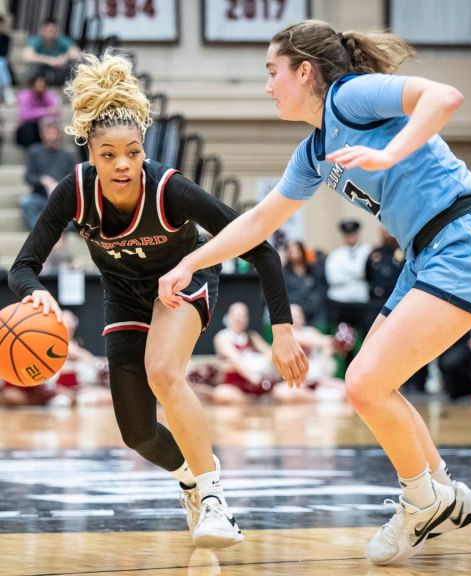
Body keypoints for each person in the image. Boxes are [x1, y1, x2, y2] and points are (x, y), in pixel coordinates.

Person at [156, 21, 471, 565]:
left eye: (272, 72)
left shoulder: (350, 96)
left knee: (364, 382)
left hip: (465, 236)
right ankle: (444, 491)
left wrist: (389, 153)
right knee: (379, 381)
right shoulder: (314, 150)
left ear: (305, 71)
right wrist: (191, 261)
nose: (267, 85)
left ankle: (421, 500)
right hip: (426, 252)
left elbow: (444, 97)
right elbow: (258, 222)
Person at [7, 53, 303, 549]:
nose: (122, 164)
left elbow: (262, 250)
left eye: (132, 151)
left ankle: (215, 501)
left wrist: (283, 329)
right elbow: (22, 267)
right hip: (123, 296)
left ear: (143, 150)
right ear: (90, 155)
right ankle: (191, 475)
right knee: (138, 435)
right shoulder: (73, 193)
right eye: (108, 154)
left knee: (163, 372)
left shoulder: (170, 189)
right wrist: (38, 297)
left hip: (181, 282)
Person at [212, 301, 283, 403]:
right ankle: (251, 402)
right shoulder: (222, 337)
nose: (239, 319)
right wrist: (252, 377)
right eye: (236, 315)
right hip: (236, 385)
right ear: (228, 317)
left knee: (282, 392)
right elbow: (235, 360)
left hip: (257, 382)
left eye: (242, 315)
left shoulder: (252, 337)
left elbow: (270, 353)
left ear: (246, 319)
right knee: (222, 393)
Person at [20, 116, 75, 229]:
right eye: (47, 132)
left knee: (78, 216)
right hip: (40, 197)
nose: (50, 135)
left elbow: (73, 181)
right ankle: (43, 231)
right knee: (26, 203)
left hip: (60, 199)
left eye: (53, 132)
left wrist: (58, 185)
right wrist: (42, 180)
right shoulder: (34, 152)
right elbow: (28, 177)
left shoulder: (67, 156)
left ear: (58, 134)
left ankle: (54, 230)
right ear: (41, 134)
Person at [325, 219, 373, 334]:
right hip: (341, 303)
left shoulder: (368, 251)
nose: (350, 237)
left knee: (367, 336)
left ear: (358, 234)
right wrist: (357, 274)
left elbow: (368, 274)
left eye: (353, 233)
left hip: (362, 302)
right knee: (344, 339)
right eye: (347, 234)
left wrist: (347, 272)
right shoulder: (335, 255)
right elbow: (333, 279)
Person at [282, 239, 327, 328]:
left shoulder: (312, 271)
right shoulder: (284, 273)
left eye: (296, 250)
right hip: (294, 315)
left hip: (313, 314)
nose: (294, 253)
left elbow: (319, 291)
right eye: (291, 251)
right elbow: (284, 295)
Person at [22, 18, 81, 86]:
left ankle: (72, 86)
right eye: (50, 31)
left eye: (55, 31)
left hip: (58, 72)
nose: (52, 34)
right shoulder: (35, 40)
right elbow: (27, 57)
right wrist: (50, 61)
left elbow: (77, 53)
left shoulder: (62, 40)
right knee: (32, 65)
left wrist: (64, 58)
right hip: (40, 73)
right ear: (43, 31)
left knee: (74, 63)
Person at [16, 73, 61, 149]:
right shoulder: (24, 95)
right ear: (32, 86)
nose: (40, 88)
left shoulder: (48, 94)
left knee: (50, 127)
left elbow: (55, 111)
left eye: (43, 86)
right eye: (38, 86)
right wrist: (45, 111)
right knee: (27, 128)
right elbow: (24, 115)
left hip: (42, 127)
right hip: (28, 131)